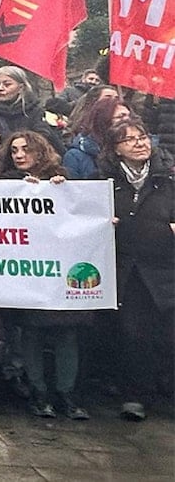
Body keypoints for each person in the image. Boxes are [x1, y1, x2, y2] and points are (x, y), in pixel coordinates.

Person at [0, 130, 86, 419]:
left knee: (66, 333)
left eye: (25, 149)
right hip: (27, 271)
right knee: (31, 333)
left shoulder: (63, 178)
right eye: (14, 151)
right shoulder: (6, 184)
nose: (19, 155)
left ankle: (67, 393)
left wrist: (56, 190)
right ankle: (39, 392)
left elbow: (83, 214)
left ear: (40, 150)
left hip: (61, 270)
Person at [98, 118, 174, 422]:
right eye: (130, 140)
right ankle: (136, 395)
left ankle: (165, 391)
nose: (140, 143)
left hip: (166, 270)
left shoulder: (167, 180)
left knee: (168, 336)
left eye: (143, 137)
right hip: (128, 271)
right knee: (134, 336)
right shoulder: (104, 183)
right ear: (116, 150)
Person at [0, 66, 62, 156]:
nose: (0, 88)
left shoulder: (35, 111)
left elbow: (40, 139)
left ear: (21, 88)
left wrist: (2, 137)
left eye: (7, 84)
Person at [64, 97, 132, 180]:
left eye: (129, 116)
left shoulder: (138, 148)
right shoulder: (75, 156)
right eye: (120, 117)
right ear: (103, 120)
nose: (128, 120)